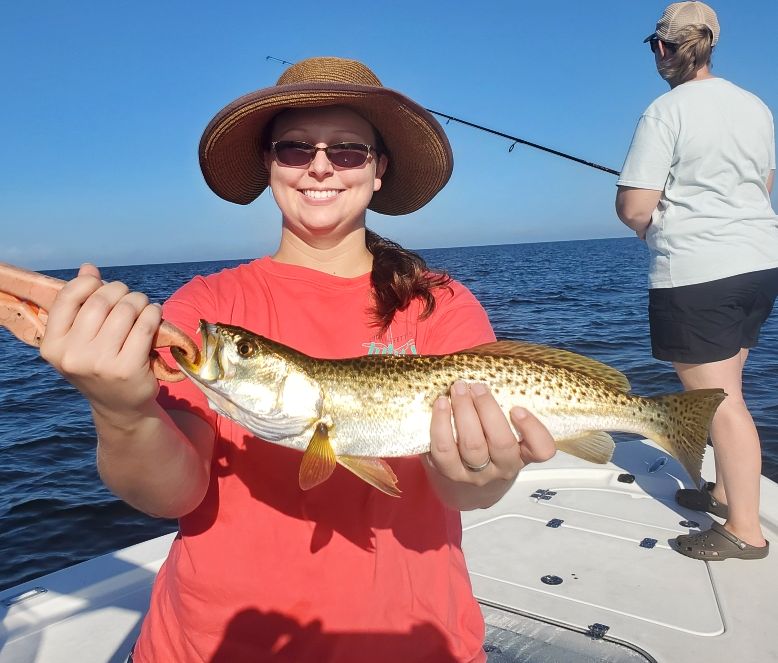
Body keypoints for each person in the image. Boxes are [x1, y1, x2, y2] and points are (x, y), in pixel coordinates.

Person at [39, 57, 556, 662]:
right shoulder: (207, 305)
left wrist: (484, 472)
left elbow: (467, 492)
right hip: (213, 643)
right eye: (295, 148)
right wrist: (121, 411)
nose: (320, 167)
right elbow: (170, 496)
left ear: (379, 170)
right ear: (269, 164)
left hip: (409, 641)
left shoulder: (439, 303)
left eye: (348, 151)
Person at [615, 2, 778, 560]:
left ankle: (744, 531)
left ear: (662, 47)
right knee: (728, 387)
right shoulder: (755, 106)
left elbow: (634, 205)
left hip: (698, 271)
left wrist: (651, 226)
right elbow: (764, 184)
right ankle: (726, 494)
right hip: (761, 264)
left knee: (721, 400)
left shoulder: (666, 111)